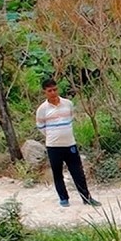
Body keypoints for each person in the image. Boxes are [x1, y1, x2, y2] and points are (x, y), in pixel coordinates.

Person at [35, 78, 101, 208]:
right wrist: (53, 135)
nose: (53, 93)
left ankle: (86, 198)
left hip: (70, 144)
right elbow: (40, 126)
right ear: (45, 92)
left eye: (55, 89)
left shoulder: (68, 104)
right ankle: (63, 198)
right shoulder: (42, 109)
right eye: (50, 91)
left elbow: (70, 118)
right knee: (57, 173)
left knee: (78, 172)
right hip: (53, 147)